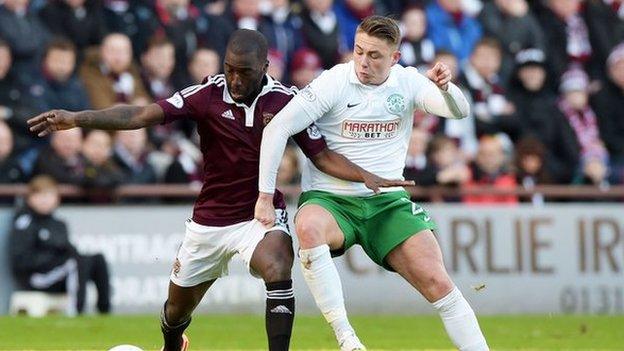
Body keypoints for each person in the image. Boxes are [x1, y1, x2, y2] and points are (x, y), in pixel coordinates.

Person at [28, 29, 407, 351]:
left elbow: (321, 156)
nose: (235, 80)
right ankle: (172, 344)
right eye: (229, 70)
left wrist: (365, 175)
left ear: (265, 68)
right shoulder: (205, 95)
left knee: (278, 264)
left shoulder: (287, 102)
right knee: (176, 312)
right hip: (209, 221)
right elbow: (142, 114)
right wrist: (78, 118)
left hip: (259, 216)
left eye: (244, 72)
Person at [255, 16, 489, 351]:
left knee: (439, 283)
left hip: (387, 202)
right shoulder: (333, 82)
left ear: (395, 58)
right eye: (359, 51)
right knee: (307, 226)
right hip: (331, 198)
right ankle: (347, 338)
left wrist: (446, 88)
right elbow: (277, 127)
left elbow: (459, 111)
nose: (363, 62)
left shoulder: (407, 82)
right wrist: (265, 196)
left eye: (375, 55)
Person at [8, 175, 111, 315]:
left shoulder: (58, 224)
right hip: (37, 277)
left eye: (49, 195)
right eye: (40, 195)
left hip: (60, 274)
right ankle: (76, 311)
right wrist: (52, 255)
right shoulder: (25, 223)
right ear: (30, 198)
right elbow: (20, 260)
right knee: (73, 263)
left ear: (57, 199)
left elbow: (68, 249)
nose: (45, 200)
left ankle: (104, 310)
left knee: (97, 259)